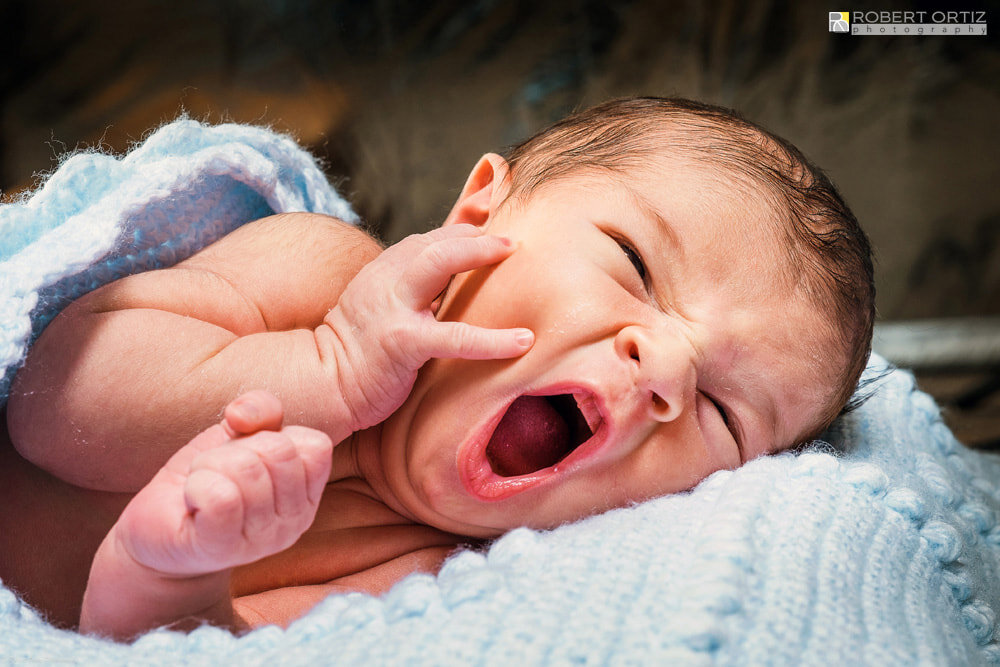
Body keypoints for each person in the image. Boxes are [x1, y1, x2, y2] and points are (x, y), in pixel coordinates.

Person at [2, 97, 874, 640]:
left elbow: (179, 646)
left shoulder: (429, 576)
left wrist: (166, 573)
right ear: (480, 208)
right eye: (634, 265)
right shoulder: (316, 273)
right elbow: (50, 405)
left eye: (722, 413)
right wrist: (330, 364)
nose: (667, 370)